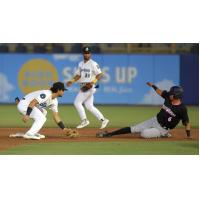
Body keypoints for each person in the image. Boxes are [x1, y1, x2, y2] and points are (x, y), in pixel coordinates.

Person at [96, 82, 191, 139]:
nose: (170, 94)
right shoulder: (168, 97)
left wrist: (188, 135)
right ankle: (110, 134)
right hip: (154, 120)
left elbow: (187, 122)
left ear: (177, 96)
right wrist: (153, 85)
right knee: (134, 129)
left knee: (143, 134)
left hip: (162, 129)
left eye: (172, 93)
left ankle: (163, 134)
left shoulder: (182, 109)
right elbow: (160, 92)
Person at [10, 82, 78, 140]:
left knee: (44, 112)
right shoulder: (46, 94)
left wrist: (64, 129)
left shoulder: (54, 101)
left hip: (28, 105)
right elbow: (33, 102)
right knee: (42, 118)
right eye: (63, 90)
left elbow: (55, 115)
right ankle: (29, 134)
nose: (63, 92)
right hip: (25, 105)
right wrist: (27, 115)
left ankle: (34, 132)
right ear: (58, 90)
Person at [66, 46, 109, 129]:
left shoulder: (93, 63)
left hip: (89, 86)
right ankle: (103, 120)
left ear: (90, 54)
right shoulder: (80, 64)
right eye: (85, 53)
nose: (87, 54)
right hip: (83, 85)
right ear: (83, 54)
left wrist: (92, 82)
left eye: (88, 53)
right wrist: (71, 81)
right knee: (89, 106)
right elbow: (78, 75)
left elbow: (99, 74)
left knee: (77, 103)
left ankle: (84, 120)